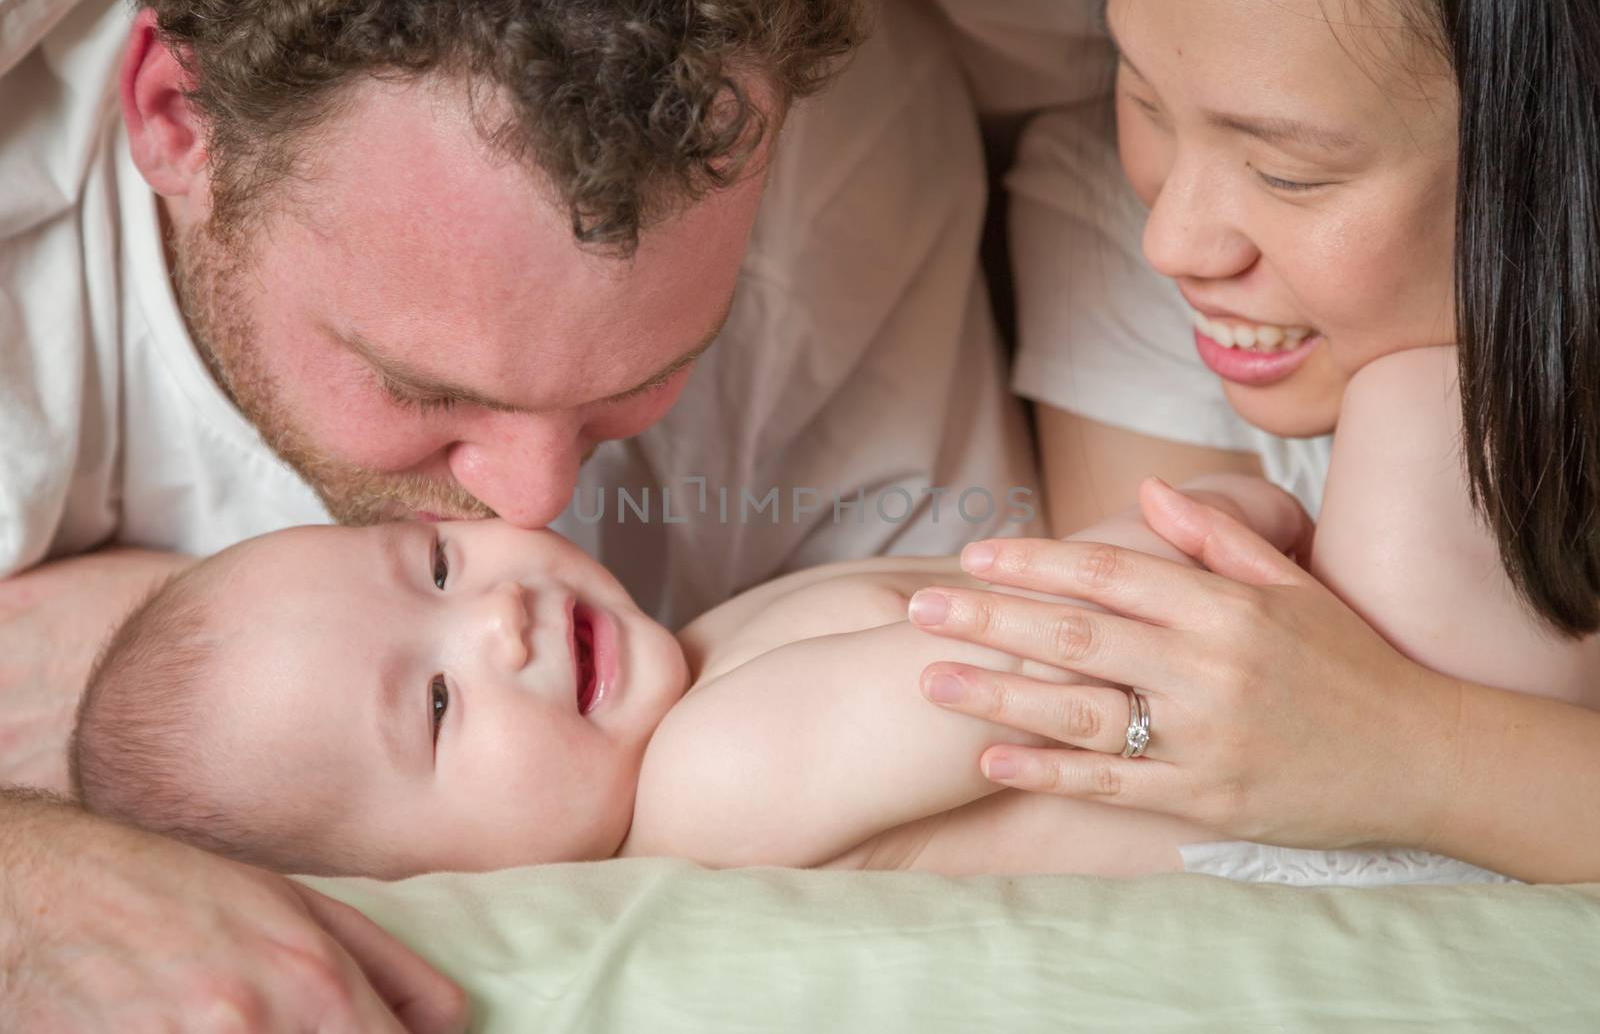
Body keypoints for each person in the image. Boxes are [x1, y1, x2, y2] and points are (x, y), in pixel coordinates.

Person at [3, 0, 1117, 1025]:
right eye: (422, 387)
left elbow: (1032, 691)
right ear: (175, 118)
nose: (529, 510)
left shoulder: (833, 176)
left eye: (643, 382)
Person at [911, 0, 1600, 885]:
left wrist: (1418, 750)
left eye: (1292, 173)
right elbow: (1197, 749)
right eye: (1146, 99)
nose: (1175, 244)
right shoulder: (1118, 228)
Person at [64, 465, 1510, 884]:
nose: (494, 625)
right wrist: (1210, 532)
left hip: (1332, 740)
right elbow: (1023, 662)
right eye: (433, 706)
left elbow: (1048, 602)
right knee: (1420, 426)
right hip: (1348, 839)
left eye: (436, 569)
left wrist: (1174, 531)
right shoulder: (709, 782)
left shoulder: (714, 653)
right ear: (432, 886)